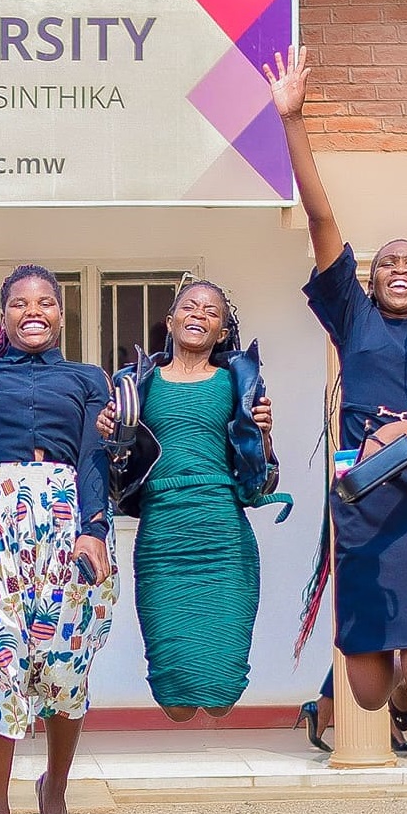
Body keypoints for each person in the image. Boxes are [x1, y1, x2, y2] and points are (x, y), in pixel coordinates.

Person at [266, 48, 407, 734]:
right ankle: (397, 698)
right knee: (365, 692)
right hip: (360, 502)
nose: (400, 267)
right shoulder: (353, 319)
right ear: (369, 281)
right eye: (388, 261)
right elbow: (320, 220)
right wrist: (293, 120)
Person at [0, 265, 116, 814]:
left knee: (66, 668)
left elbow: (96, 458)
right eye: (20, 303)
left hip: (70, 531)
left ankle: (55, 788)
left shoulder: (89, 380)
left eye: (45, 301)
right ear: (4, 316)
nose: (33, 311)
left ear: (62, 314)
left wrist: (95, 529)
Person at [95, 277, 282, 725]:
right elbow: (115, 468)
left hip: (222, 536)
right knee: (174, 700)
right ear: (170, 320)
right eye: (190, 307)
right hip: (162, 535)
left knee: (221, 695)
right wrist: (108, 434)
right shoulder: (135, 384)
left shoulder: (237, 383)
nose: (199, 314)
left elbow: (263, 476)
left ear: (222, 332)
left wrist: (264, 434)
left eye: (211, 312)